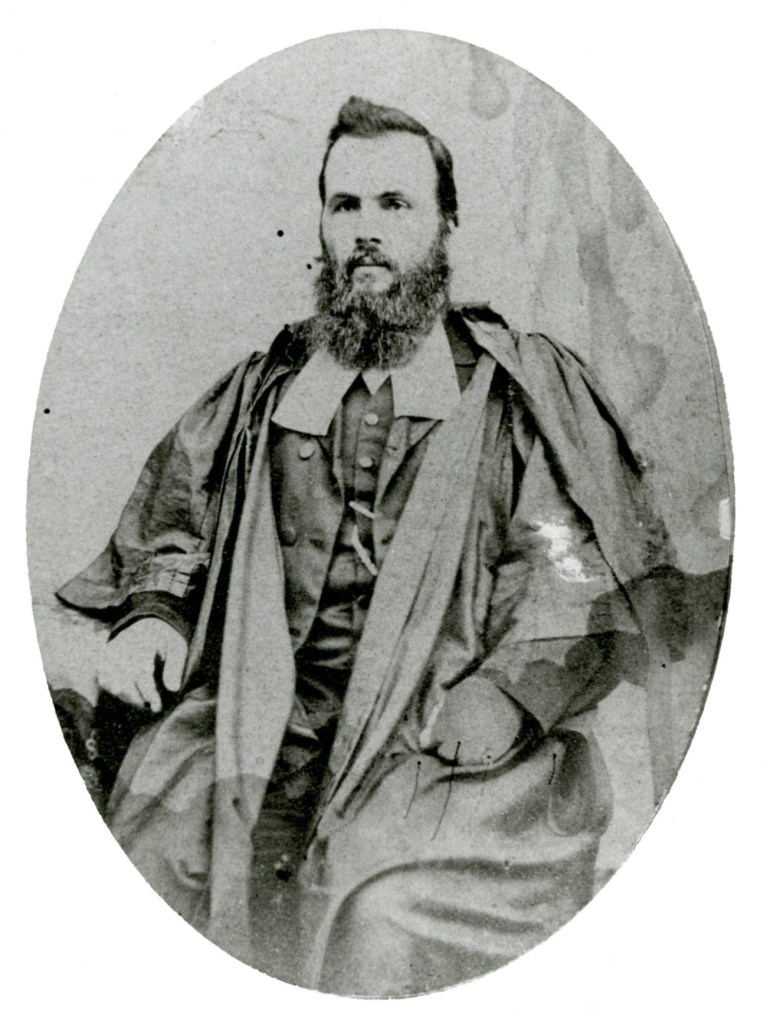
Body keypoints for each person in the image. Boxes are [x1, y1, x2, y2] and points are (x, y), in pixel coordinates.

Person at [55, 96, 676, 996]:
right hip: (262, 712)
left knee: (372, 913)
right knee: (158, 853)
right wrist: (156, 611)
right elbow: (181, 508)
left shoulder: (514, 394)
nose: (366, 231)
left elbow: (567, 565)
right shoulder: (270, 384)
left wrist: (512, 689)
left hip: (434, 729)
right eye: (345, 206)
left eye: (394, 204)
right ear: (321, 224)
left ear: (445, 223)